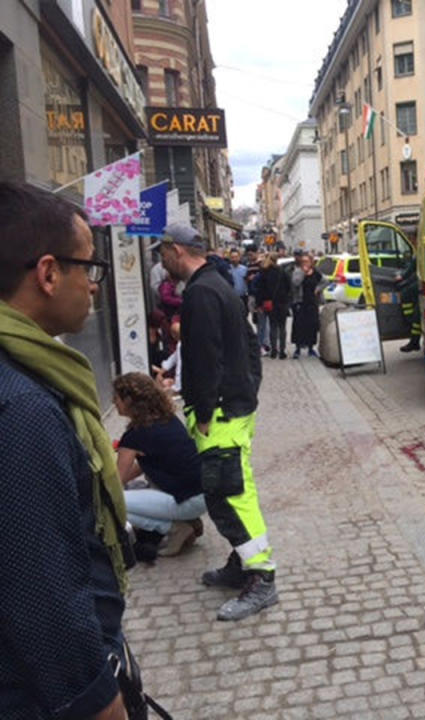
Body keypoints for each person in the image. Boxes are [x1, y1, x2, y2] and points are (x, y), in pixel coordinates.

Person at [0, 182, 131, 719]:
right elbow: (44, 592)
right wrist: (101, 703)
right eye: (89, 268)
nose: (95, 287)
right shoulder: (23, 407)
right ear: (49, 274)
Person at [155, 223, 276, 622]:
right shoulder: (220, 284)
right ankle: (242, 563)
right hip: (233, 406)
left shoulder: (201, 292)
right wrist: (248, 389)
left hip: (221, 414)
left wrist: (204, 411)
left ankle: (261, 577)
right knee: (233, 488)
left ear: (177, 251)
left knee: (227, 494)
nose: (160, 260)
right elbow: (248, 343)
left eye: (163, 252)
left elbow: (206, 357)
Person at [113, 373, 205, 559]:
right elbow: (148, 464)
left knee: (112, 504)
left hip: (185, 500)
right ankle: (188, 521)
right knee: (136, 491)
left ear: (128, 400)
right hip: (203, 495)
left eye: (116, 397)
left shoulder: (135, 435)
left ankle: (176, 528)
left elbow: (115, 483)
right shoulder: (167, 419)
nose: (113, 402)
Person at [256, 252, 291, 359]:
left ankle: (274, 351)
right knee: (282, 328)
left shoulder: (264, 273)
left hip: (270, 303)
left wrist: (259, 303)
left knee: (272, 327)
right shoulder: (283, 272)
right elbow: (289, 288)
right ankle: (282, 351)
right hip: (282, 303)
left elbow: (260, 290)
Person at [290, 254, 321, 358]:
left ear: (311, 262)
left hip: (312, 302)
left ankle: (311, 348)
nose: (305, 263)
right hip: (300, 302)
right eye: (303, 261)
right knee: (299, 325)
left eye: (307, 261)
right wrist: (303, 272)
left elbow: (324, 281)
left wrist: (319, 288)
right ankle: (298, 348)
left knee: (312, 325)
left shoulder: (316, 272)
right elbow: (295, 283)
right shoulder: (298, 271)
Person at [396, 253, 421, 352]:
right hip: (422, 292)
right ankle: (414, 340)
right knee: (416, 318)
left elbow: (411, 269)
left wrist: (402, 277)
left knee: (417, 317)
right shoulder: (419, 253)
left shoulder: (419, 253)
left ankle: (414, 341)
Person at [228, 249, 249, 316]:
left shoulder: (244, 269)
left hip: (243, 297)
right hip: (232, 297)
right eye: (232, 257)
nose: (234, 259)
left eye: (236, 257)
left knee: (244, 315)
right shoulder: (228, 269)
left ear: (239, 257)